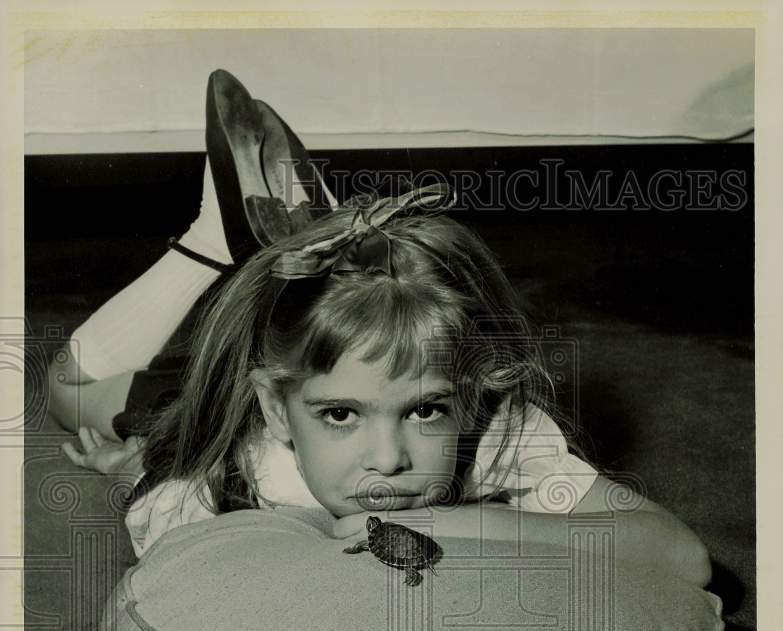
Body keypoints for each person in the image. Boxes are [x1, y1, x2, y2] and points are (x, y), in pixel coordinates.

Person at [48, 71, 712, 588]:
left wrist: (441, 522)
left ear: (473, 393)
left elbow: (680, 557)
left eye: (425, 410)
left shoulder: (497, 435)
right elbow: (192, 583)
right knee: (66, 390)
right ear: (277, 411)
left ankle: (345, 278)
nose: (388, 460)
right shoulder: (223, 472)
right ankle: (209, 243)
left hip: (306, 367)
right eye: (342, 416)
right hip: (197, 412)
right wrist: (132, 474)